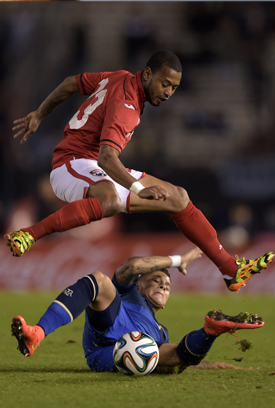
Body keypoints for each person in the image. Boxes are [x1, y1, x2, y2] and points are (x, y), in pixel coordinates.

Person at [4, 50, 274, 292]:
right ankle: (29, 234)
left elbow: (70, 83)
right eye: (164, 83)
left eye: (174, 87)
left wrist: (40, 114)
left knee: (178, 198)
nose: (168, 92)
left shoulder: (119, 77)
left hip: (94, 166)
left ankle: (230, 270)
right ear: (147, 74)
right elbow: (108, 158)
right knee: (108, 200)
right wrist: (139, 189)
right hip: (70, 164)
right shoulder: (127, 106)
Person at [11, 247, 265, 374]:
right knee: (100, 279)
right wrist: (176, 261)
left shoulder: (160, 331)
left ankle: (210, 330)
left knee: (168, 352)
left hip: (134, 351)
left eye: (167, 285)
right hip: (104, 338)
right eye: (156, 280)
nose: (163, 285)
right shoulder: (129, 293)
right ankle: (38, 332)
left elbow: (173, 360)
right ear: (141, 284)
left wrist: (215, 365)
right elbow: (133, 266)